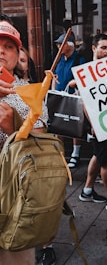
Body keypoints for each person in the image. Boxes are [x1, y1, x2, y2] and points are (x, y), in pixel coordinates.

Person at [0, 19, 48, 264]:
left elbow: (41, 154)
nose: (1, 50)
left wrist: (11, 131)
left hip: (16, 202)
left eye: (8, 46)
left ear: (18, 54)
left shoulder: (31, 94)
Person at [79, 33, 107, 212]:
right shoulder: (88, 70)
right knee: (106, 162)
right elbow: (85, 102)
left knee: (99, 154)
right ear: (94, 49)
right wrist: (95, 124)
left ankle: (87, 190)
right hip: (99, 123)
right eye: (103, 48)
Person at [52, 31, 85, 169]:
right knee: (58, 127)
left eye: (61, 44)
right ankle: (60, 155)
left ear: (69, 45)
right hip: (59, 96)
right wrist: (53, 90)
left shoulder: (79, 59)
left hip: (73, 97)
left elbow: (83, 77)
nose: (58, 46)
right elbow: (53, 75)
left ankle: (75, 155)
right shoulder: (58, 59)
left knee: (73, 126)